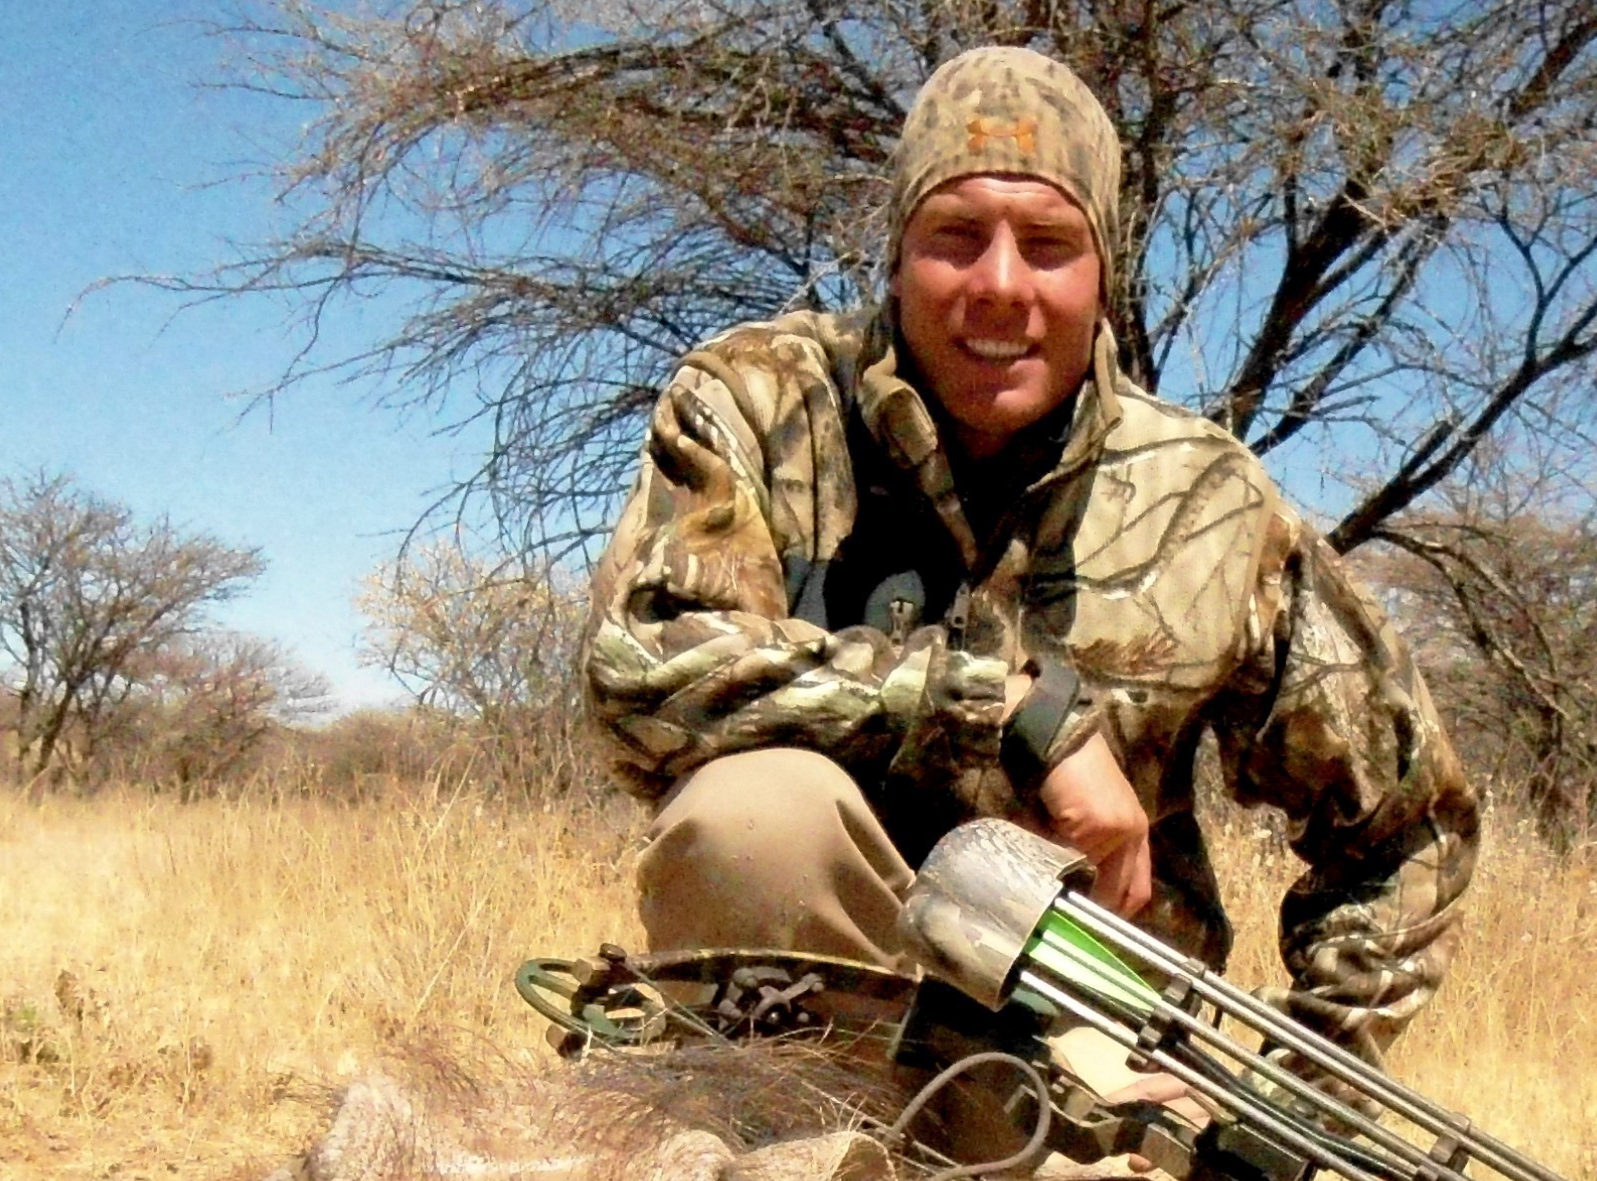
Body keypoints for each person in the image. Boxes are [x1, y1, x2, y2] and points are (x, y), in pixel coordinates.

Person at [582, 45, 1478, 1061]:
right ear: (896, 254)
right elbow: (638, 663)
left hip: (1088, 1036)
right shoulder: (759, 399)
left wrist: (1299, 1077)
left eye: (1049, 243)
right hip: (809, 1006)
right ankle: (786, 1128)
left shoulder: (1210, 497)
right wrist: (1007, 712)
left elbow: (1411, 828)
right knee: (753, 817)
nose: (999, 286)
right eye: (955, 236)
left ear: (1105, 272)